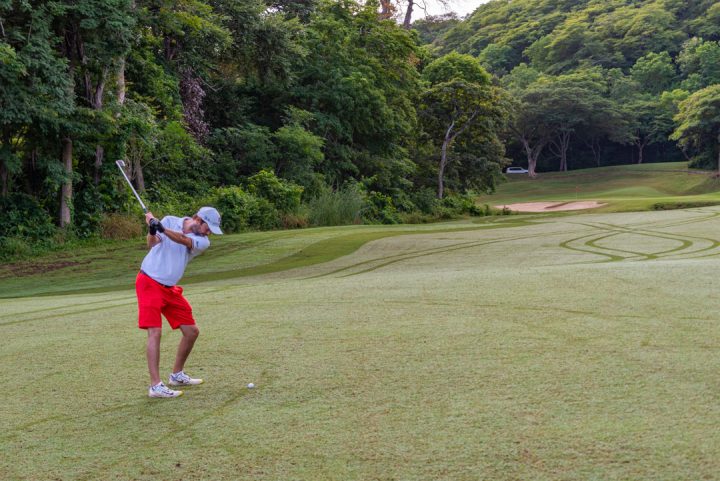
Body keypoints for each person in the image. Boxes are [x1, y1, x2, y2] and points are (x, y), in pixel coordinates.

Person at [135, 206, 223, 398]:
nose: (209, 233)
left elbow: (183, 240)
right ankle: (155, 386)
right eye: (209, 227)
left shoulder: (203, 242)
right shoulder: (169, 220)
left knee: (191, 331)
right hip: (149, 281)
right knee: (155, 332)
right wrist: (152, 229)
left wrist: (161, 228)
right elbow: (151, 244)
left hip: (170, 289)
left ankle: (176, 375)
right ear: (197, 219)